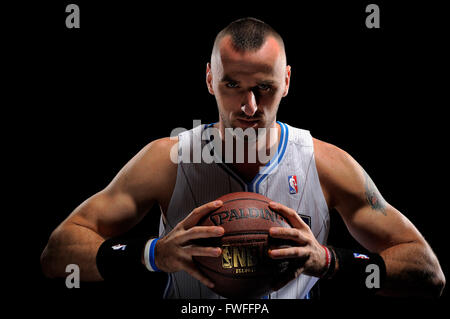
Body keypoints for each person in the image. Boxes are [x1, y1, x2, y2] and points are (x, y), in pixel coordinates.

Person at [41, 17, 445, 299]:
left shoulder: (325, 165)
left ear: (286, 81)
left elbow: (428, 273)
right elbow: (57, 254)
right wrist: (153, 254)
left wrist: (328, 261)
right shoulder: (168, 160)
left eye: (264, 87)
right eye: (231, 84)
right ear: (208, 79)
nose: (248, 106)